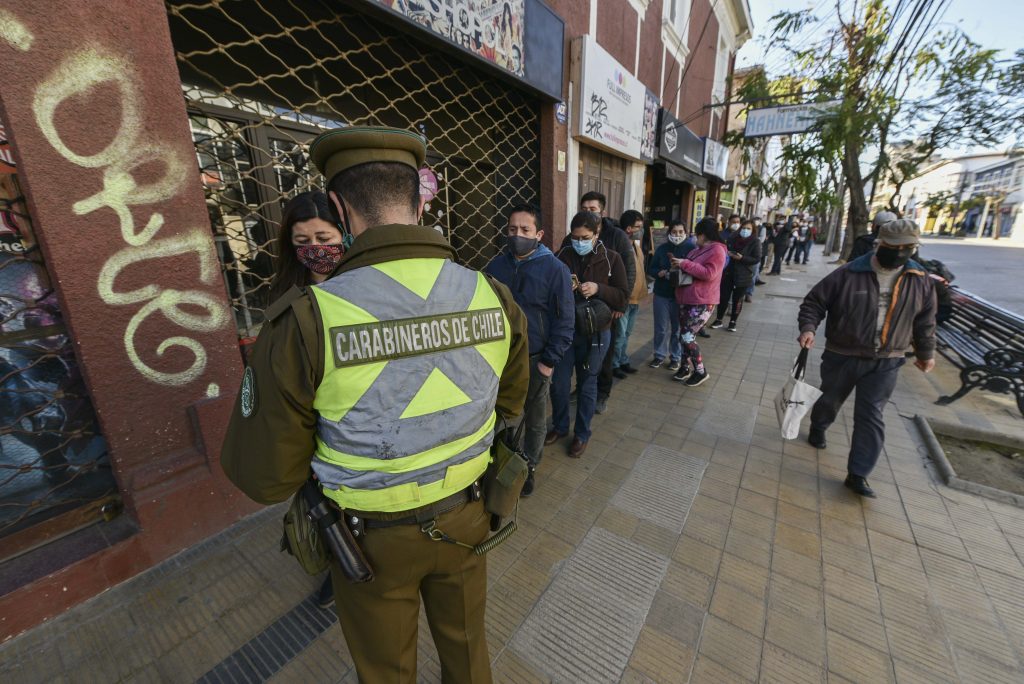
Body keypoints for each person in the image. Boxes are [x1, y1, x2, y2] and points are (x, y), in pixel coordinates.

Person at [220, 126, 530, 682]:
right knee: (468, 651)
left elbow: (267, 476)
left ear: (338, 208)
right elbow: (512, 401)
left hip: (369, 541)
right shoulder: (493, 294)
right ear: (417, 201)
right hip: (469, 515)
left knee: (386, 670)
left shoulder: (307, 319)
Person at [798, 219, 936, 498]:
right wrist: (809, 328)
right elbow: (814, 302)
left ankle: (858, 474)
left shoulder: (920, 280)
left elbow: (925, 321)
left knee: (871, 414)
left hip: (888, 359)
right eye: (894, 247)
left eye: (907, 248)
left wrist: (925, 353)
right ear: (879, 244)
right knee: (830, 399)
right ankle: (819, 425)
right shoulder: (849, 273)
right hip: (843, 354)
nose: (899, 253)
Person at [268, 190, 347, 610]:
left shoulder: (363, 288)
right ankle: (338, 566)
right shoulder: (288, 294)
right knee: (325, 504)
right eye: (303, 243)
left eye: (324, 237)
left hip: (354, 418)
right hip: (309, 422)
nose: (315, 250)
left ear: (345, 235)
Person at [485, 203, 573, 497]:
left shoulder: (555, 269)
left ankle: (529, 466)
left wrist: (549, 361)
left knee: (535, 418)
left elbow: (564, 320)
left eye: (525, 230)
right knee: (500, 414)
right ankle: (499, 461)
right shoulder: (496, 266)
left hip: (536, 359)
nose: (517, 235)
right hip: (501, 358)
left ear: (540, 234)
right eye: (512, 230)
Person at [547, 211, 628, 457]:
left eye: (585, 237)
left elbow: (623, 298)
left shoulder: (611, 259)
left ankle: (582, 434)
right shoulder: (562, 256)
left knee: (587, 384)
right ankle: (560, 426)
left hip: (595, 333)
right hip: (566, 332)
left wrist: (598, 289)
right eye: (575, 237)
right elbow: (548, 291)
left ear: (597, 234)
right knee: (559, 384)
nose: (579, 242)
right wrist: (565, 286)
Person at [575, 191, 636, 414]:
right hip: (581, 309)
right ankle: (584, 387)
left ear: (603, 211)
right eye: (584, 208)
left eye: (593, 209)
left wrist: (621, 305)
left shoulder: (617, 236)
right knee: (582, 354)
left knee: (606, 354)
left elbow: (629, 271)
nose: (588, 212)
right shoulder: (575, 234)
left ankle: (602, 393)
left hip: (608, 306)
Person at [671, 217, 727, 386]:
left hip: (702, 301)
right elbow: (689, 267)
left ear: (704, 234)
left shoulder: (717, 250)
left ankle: (700, 371)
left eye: (697, 234)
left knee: (687, 336)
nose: (695, 237)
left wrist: (685, 263)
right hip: (686, 298)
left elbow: (709, 273)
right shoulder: (697, 250)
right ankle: (685, 367)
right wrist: (678, 264)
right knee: (684, 336)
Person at [647, 219, 694, 371]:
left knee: (677, 329)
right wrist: (658, 272)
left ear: (686, 233)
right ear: (669, 233)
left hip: (681, 295)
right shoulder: (662, 249)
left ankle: (676, 357)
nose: (677, 235)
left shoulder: (691, 248)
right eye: (674, 232)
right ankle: (659, 355)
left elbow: (696, 270)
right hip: (661, 293)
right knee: (660, 327)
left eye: (680, 232)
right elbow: (651, 268)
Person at [613, 210, 648, 378]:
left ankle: (623, 360)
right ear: (628, 228)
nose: (641, 230)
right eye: (638, 227)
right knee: (619, 335)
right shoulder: (621, 246)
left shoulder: (636, 245)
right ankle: (614, 365)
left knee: (627, 334)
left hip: (635, 299)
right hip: (624, 299)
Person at [710, 218, 761, 333]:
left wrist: (742, 258)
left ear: (753, 230)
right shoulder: (732, 238)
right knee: (723, 297)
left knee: (737, 300)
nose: (745, 230)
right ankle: (718, 319)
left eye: (748, 229)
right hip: (728, 272)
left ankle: (733, 322)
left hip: (744, 274)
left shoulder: (755, 241)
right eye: (743, 228)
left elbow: (756, 258)